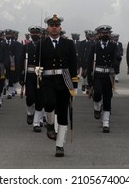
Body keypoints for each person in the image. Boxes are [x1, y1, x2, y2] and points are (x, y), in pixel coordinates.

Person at [35, 14, 78, 157]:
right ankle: (49, 124)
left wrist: (74, 84)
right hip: (47, 79)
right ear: (47, 28)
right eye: (52, 26)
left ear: (60, 28)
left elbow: (73, 64)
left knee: (63, 114)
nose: (54, 28)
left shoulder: (69, 44)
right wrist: (37, 74)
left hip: (64, 79)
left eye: (56, 26)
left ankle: (59, 145)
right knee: (49, 103)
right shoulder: (41, 44)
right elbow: (37, 63)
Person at [87, 25, 121, 133]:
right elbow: (90, 62)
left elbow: (117, 56)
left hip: (108, 76)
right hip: (97, 75)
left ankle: (106, 122)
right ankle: (97, 107)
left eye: (107, 33)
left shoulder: (113, 46)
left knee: (107, 98)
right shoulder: (95, 46)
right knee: (97, 94)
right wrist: (89, 78)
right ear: (99, 34)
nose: (105, 35)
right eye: (103, 33)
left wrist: (116, 61)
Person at [20, 25, 44, 132]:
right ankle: (30, 113)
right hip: (29, 75)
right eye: (33, 33)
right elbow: (21, 62)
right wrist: (21, 76)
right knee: (30, 98)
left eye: (37, 33)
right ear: (31, 34)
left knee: (40, 99)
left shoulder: (44, 46)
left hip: (40, 75)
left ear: (40, 34)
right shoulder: (26, 47)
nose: (35, 35)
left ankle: (36, 123)